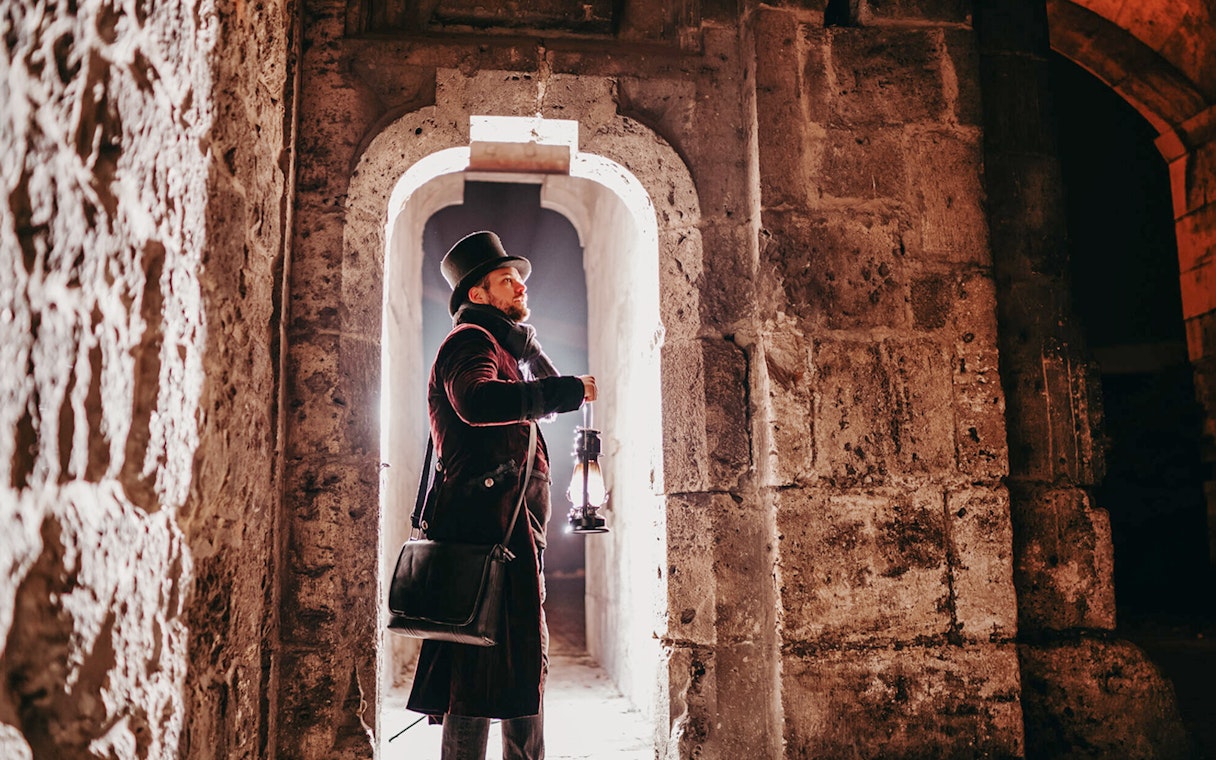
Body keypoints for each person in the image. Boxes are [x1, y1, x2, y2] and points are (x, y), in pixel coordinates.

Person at [407, 230, 597, 760]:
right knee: (475, 670)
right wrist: (565, 391)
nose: (520, 285)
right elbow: (476, 401)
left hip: (509, 534)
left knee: (517, 667)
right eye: (505, 280)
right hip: (480, 535)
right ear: (477, 295)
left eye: (519, 278)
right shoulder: (470, 343)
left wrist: (532, 352)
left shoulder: (505, 348)